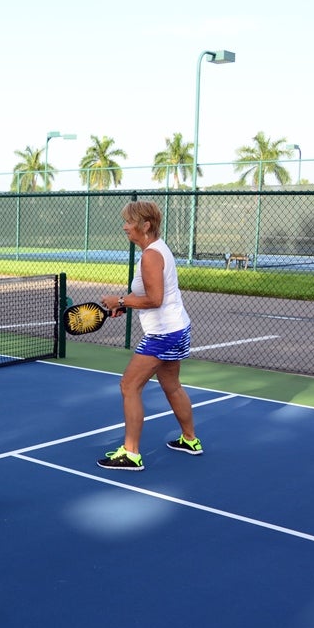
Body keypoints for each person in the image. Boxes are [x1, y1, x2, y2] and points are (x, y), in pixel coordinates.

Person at [97, 200, 201, 471]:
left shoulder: (150, 256)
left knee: (129, 386)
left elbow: (155, 299)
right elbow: (151, 296)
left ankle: (130, 453)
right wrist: (123, 304)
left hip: (163, 333)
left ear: (146, 225)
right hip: (177, 328)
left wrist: (120, 299)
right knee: (172, 386)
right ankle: (190, 439)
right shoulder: (159, 250)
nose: (125, 227)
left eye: (129, 222)